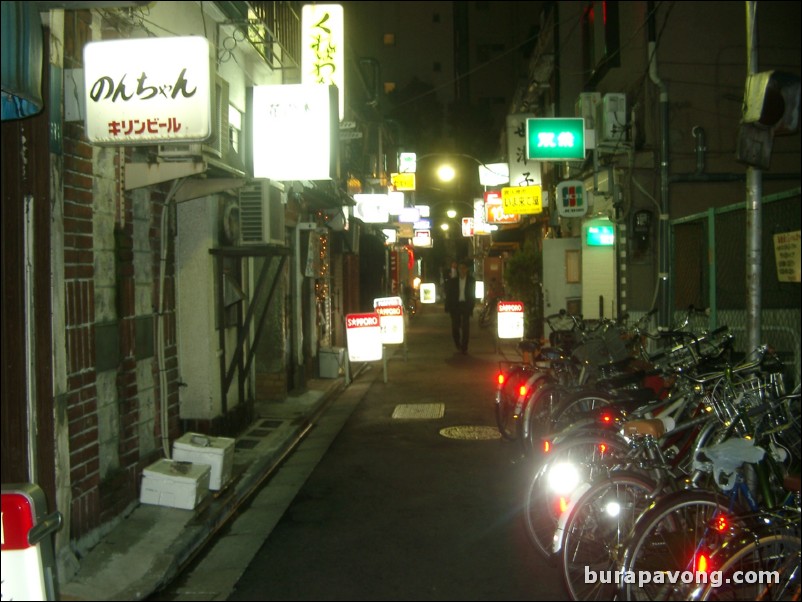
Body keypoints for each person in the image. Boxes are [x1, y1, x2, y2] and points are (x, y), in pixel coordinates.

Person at [444, 259, 476, 354]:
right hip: (456, 305)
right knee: (455, 326)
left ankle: (464, 346)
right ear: (458, 270)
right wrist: (448, 306)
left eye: (464, 268)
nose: (462, 270)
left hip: (465, 305)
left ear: (466, 270)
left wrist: (471, 306)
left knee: (466, 327)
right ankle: (457, 342)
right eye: (460, 268)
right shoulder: (453, 281)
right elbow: (449, 294)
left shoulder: (471, 280)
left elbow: (472, 294)